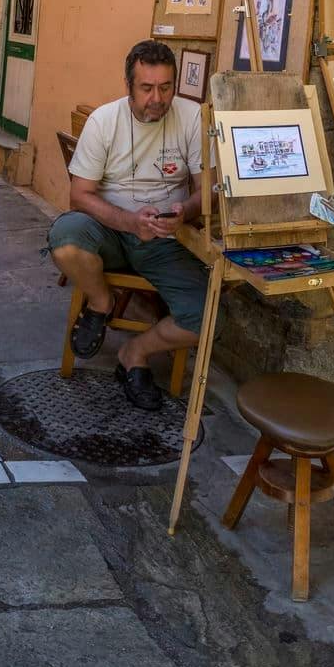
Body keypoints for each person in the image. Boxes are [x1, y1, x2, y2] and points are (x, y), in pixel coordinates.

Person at [50, 40, 207, 412]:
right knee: (64, 237)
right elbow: (80, 195)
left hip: (166, 238)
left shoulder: (192, 117)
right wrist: (129, 222)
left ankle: (134, 353)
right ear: (129, 86)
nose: (157, 98)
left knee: (206, 315)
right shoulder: (104, 121)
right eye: (147, 88)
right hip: (110, 230)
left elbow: (206, 191)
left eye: (166, 87)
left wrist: (184, 211)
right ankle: (101, 302)